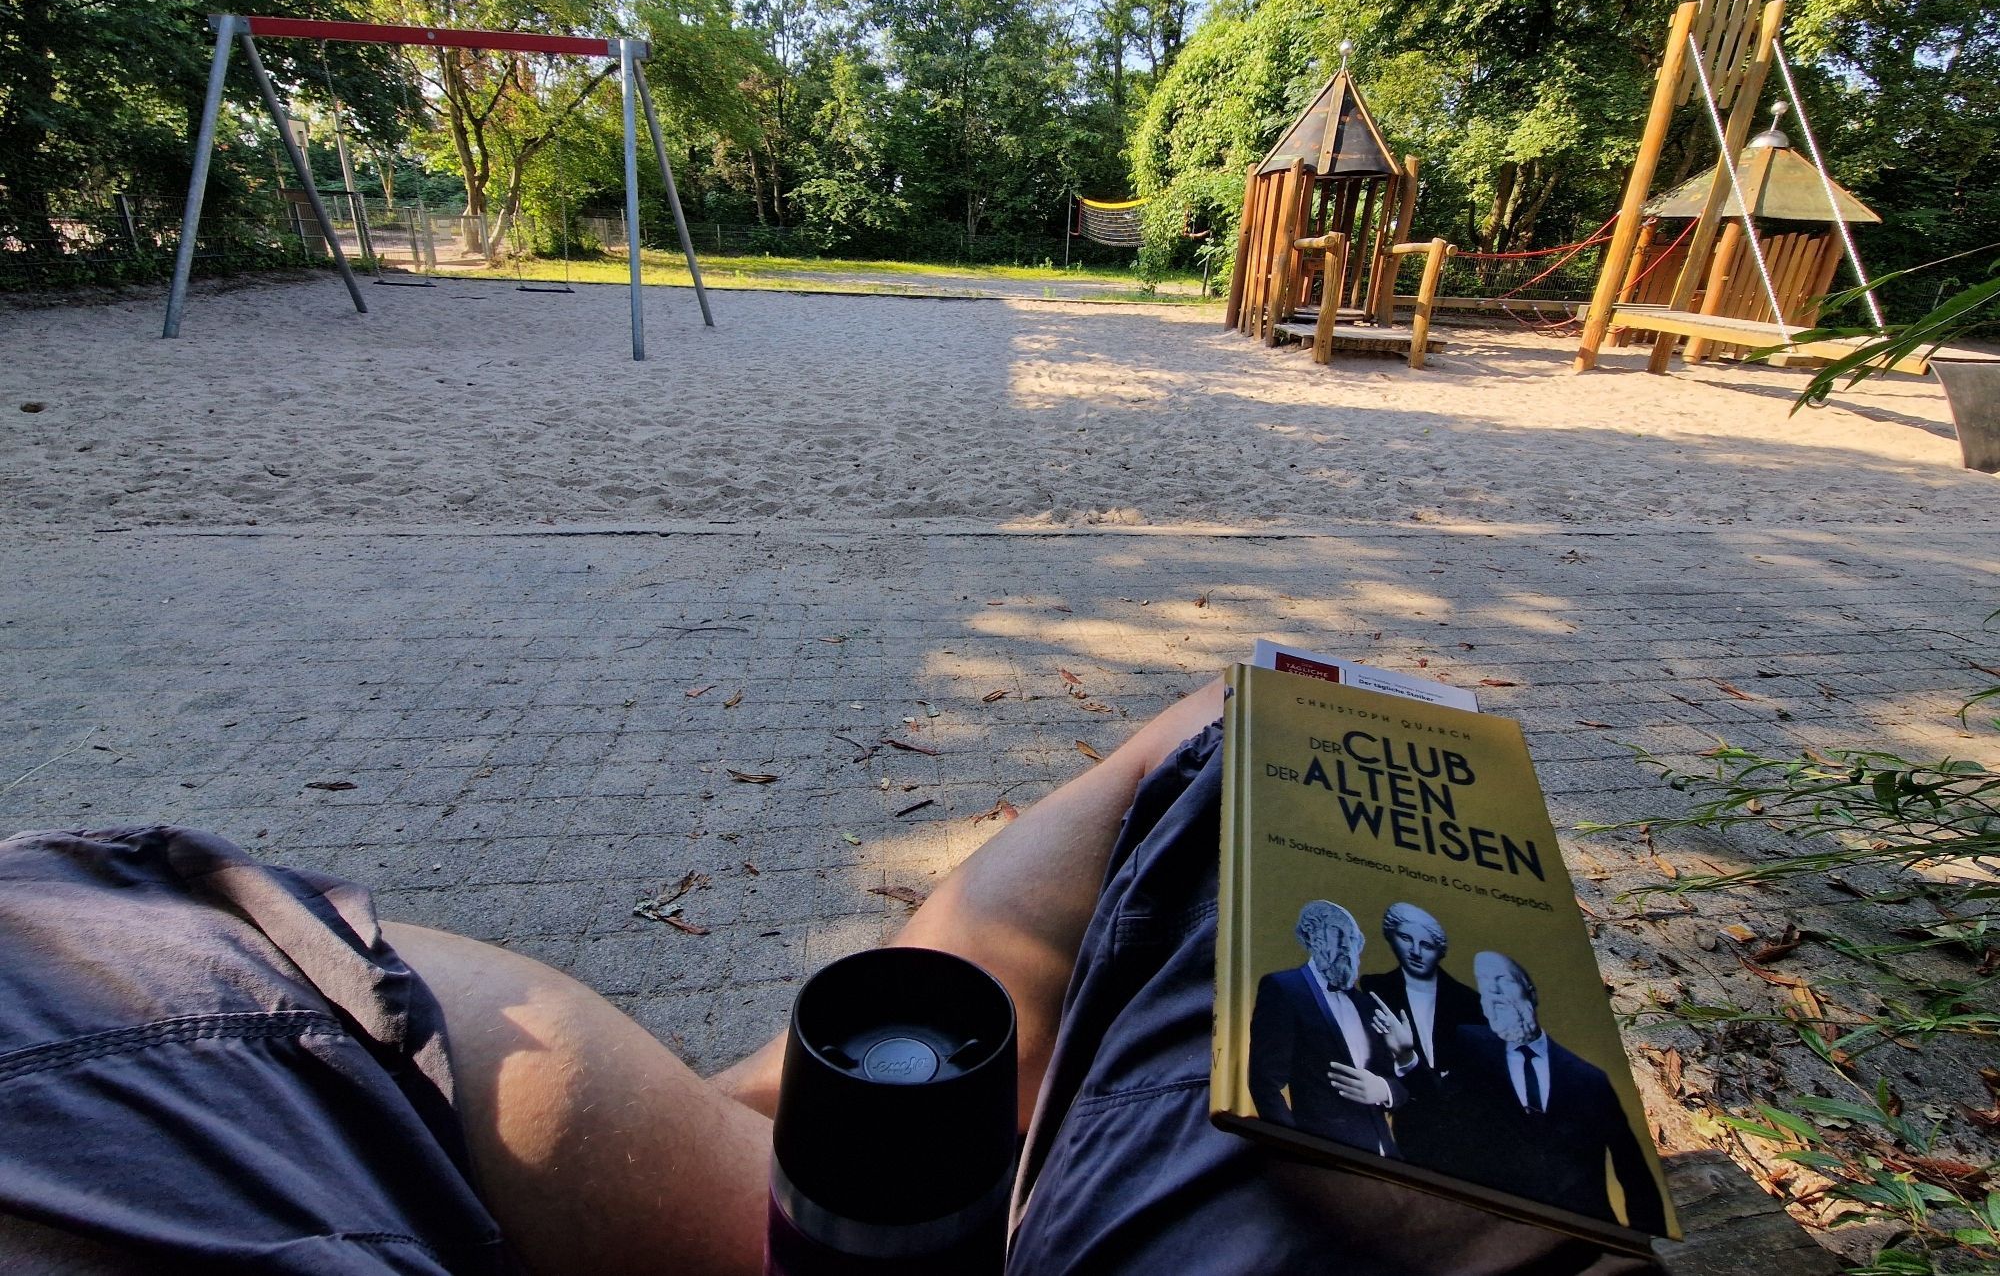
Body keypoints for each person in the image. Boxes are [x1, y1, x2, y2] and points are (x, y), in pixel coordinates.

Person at [0, 683, 1663, 1274]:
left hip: (229, 1081)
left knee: (1264, 747)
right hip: (200, 1075)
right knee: (1289, 757)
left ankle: (838, 1113)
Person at [1419, 952, 1671, 1238]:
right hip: (1493, 1227)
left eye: (1503, 982)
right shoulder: (1469, 1045)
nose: (1496, 994)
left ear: (1531, 992)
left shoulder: (1589, 1079)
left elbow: (1632, 1169)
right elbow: (1437, 1113)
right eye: (1487, 988)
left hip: (1584, 1232)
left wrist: (1644, 1241)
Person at [1246, 900, 1412, 1157]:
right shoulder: (1283, 988)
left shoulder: (1367, 1004)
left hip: (1387, 1156)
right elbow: (1264, 1083)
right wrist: (1296, 1149)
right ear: (1311, 937)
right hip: (1326, 1159)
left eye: (1354, 939)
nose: (1348, 945)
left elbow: (1401, 1088)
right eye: (1338, 933)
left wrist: (1385, 1088)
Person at [1358, 901, 1486, 1164]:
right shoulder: (1374, 988)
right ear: (1391, 938)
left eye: (1426, 945)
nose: (1415, 952)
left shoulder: (1469, 1002)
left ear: (1439, 951)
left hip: (1462, 1128)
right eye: (1406, 938)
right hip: (1404, 1121)